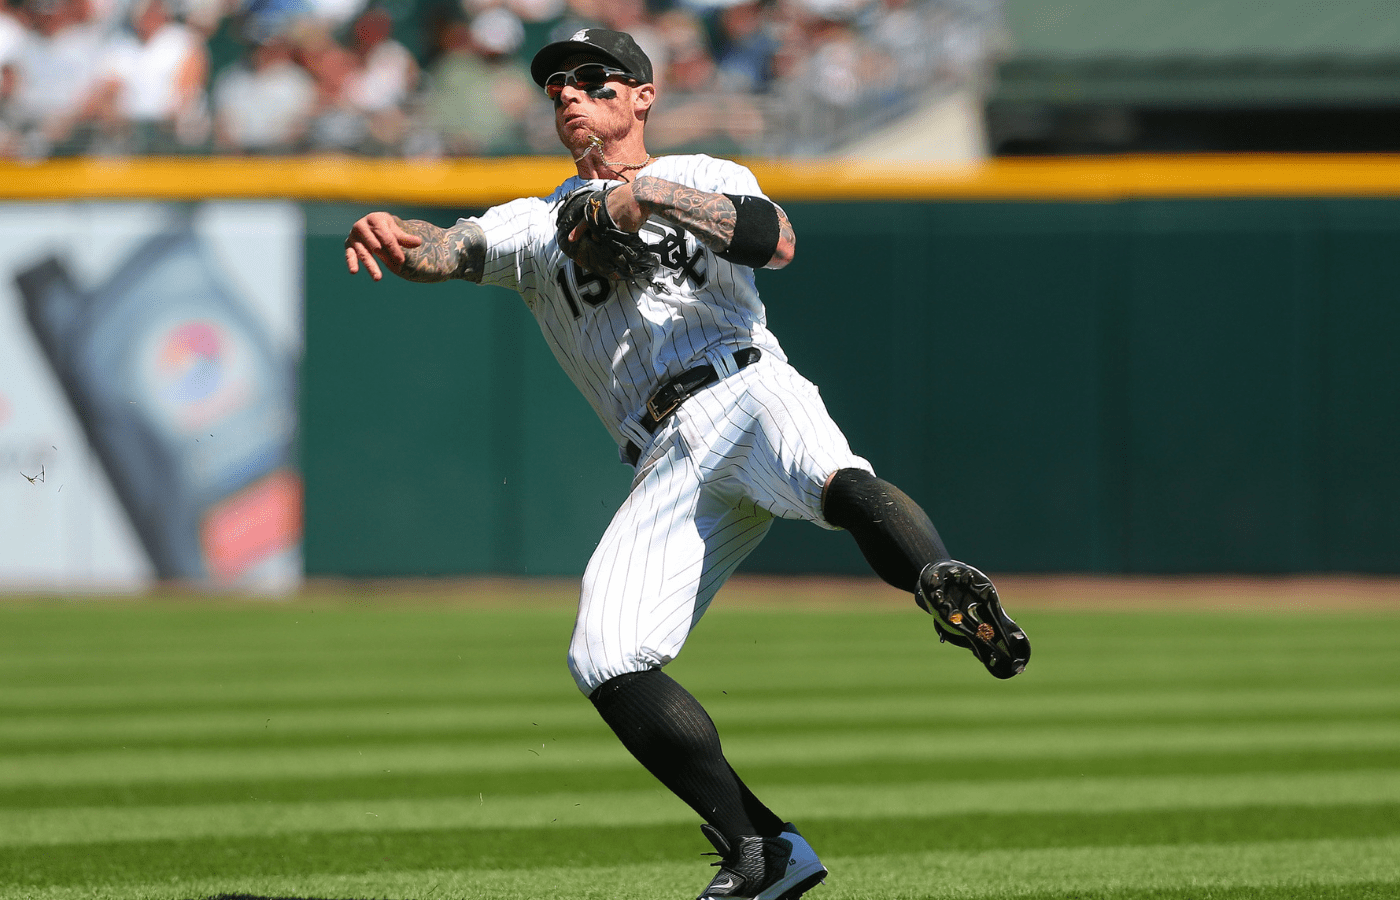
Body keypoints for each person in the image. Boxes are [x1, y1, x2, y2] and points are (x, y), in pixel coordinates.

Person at [344, 28, 1030, 900]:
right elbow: (437, 252)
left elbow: (775, 241)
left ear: (642, 95)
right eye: (556, 83)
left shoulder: (706, 173)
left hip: (745, 384)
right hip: (661, 454)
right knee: (606, 654)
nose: (569, 93)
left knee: (831, 476)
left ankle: (939, 578)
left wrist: (649, 197)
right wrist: (391, 233)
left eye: (593, 79)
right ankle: (765, 849)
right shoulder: (531, 223)